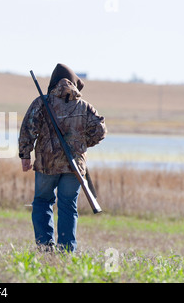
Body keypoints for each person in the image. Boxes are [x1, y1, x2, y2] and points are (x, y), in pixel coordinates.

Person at [18, 63, 107, 252]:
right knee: (68, 206)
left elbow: (28, 129)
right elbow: (100, 130)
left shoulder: (42, 102)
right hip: (74, 168)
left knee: (42, 202)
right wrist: (82, 144)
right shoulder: (84, 106)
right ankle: (67, 250)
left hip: (46, 164)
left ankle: (45, 247)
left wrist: (25, 154)